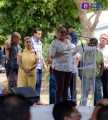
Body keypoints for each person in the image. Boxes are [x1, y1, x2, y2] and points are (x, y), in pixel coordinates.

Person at [49, 26, 74, 103]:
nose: (63, 33)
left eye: (65, 32)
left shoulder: (68, 41)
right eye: (61, 32)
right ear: (57, 33)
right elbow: (52, 56)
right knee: (60, 88)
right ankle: (58, 106)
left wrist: (75, 51)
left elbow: (72, 52)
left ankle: (65, 106)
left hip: (69, 68)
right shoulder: (54, 42)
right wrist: (64, 53)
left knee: (66, 88)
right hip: (59, 68)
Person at [81, 38, 104, 106]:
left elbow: (102, 64)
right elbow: (81, 63)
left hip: (96, 76)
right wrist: (81, 73)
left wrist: (101, 73)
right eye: (91, 43)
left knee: (98, 94)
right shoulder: (85, 53)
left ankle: (98, 109)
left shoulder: (100, 53)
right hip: (86, 76)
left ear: (97, 45)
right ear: (88, 44)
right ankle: (82, 108)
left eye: (94, 43)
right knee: (84, 94)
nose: (92, 44)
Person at [31, 28, 47, 104]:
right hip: (34, 66)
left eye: (41, 34)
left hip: (40, 65)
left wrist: (44, 64)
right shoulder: (30, 42)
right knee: (34, 83)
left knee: (39, 83)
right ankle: (32, 100)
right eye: (38, 34)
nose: (40, 35)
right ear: (34, 34)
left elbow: (40, 55)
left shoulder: (40, 43)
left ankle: (37, 100)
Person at [99, 34, 108, 98]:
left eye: (105, 39)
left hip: (106, 70)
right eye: (102, 38)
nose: (103, 40)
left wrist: (106, 65)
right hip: (96, 70)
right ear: (99, 39)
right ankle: (97, 103)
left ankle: (105, 102)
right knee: (97, 88)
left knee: (106, 87)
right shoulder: (96, 48)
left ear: (107, 40)